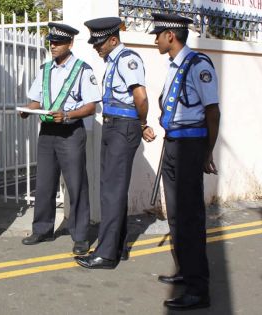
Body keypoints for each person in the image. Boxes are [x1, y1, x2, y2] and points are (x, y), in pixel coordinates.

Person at [150, 13, 220, 310]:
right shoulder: (174, 65)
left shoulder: (199, 65)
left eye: (158, 34)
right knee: (176, 214)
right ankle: (186, 271)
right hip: (173, 143)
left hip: (191, 145)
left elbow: (213, 111)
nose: (155, 40)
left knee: (190, 216)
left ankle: (198, 289)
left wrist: (207, 151)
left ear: (171, 36)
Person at [75, 17, 156, 270]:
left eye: (99, 43)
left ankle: (106, 254)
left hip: (123, 127)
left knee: (112, 190)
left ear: (113, 39)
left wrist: (142, 124)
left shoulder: (127, 59)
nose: (95, 47)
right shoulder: (113, 61)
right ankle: (117, 246)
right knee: (112, 189)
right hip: (114, 125)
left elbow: (141, 97)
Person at [19, 22, 101, 255]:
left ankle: (81, 235)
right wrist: (27, 109)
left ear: (70, 43)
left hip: (70, 132)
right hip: (47, 133)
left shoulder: (83, 70)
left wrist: (67, 115)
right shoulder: (45, 69)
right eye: (51, 42)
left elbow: (91, 107)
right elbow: (36, 100)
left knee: (76, 185)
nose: (53, 46)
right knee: (44, 183)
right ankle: (42, 230)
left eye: (58, 42)